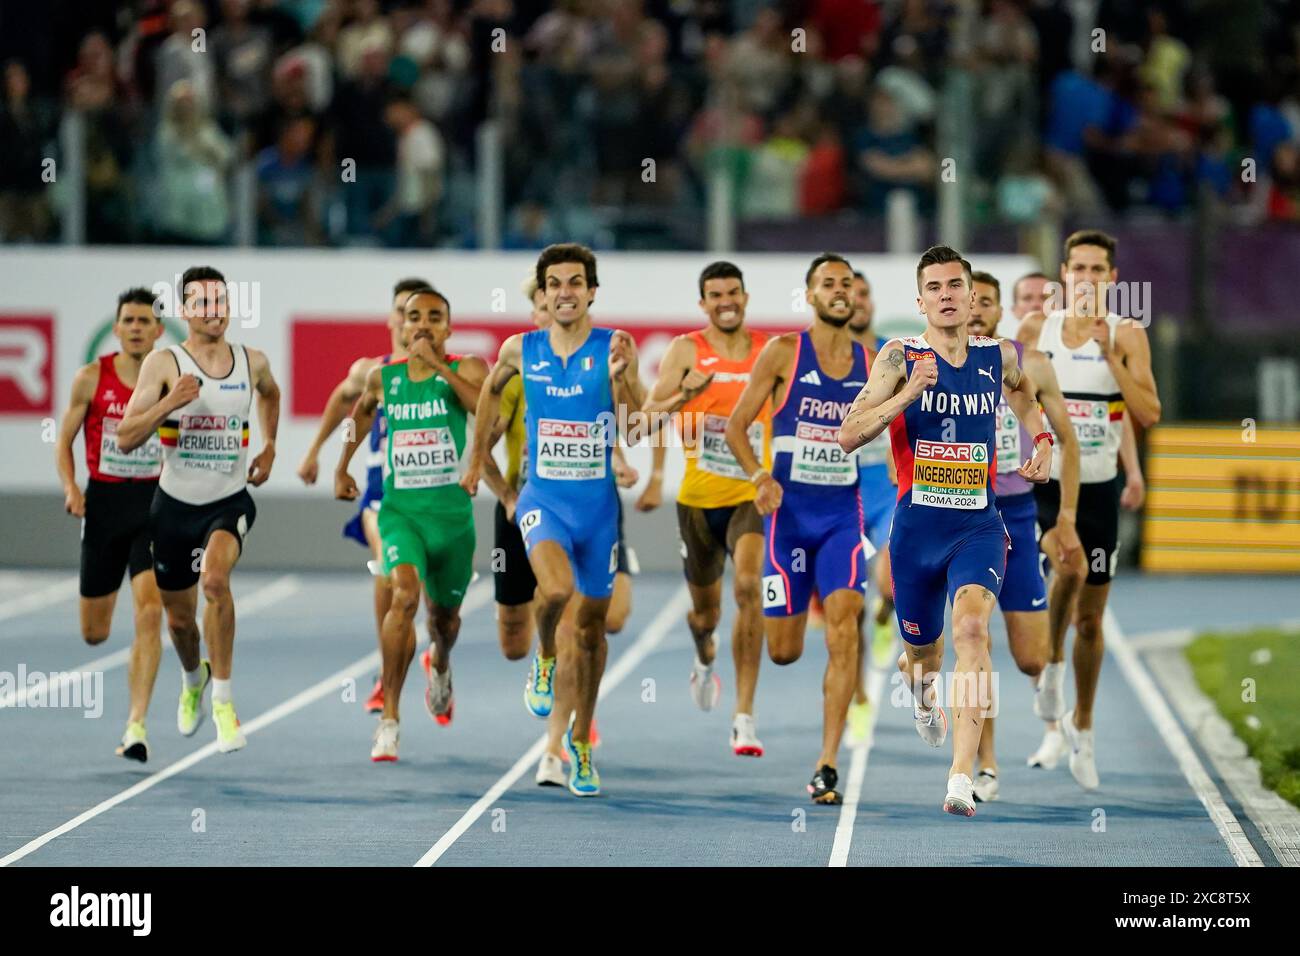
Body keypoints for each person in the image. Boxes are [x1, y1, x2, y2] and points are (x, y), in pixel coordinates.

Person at [838, 245, 1053, 816]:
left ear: (972, 295)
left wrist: (1044, 441)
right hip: (915, 532)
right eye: (934, 288)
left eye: (955, 285)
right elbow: (848, 433)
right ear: (920, 300)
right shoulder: (897, 356)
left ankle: (963, 773)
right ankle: (922, 696)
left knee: (974, 632)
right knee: (922, 658)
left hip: (977, 527)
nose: (947, 296)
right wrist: (909, 393)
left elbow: (1024, 394)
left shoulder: (998, 354)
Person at [464, 243, 645, 797]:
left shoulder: (614, 345)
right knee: (556, 589)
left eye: (575, 282)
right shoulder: (521, 349)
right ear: (542, 294)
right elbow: (489, 399)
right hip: (543, 498)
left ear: (592, 291)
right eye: (554, 284)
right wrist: (476, 458)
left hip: (598, 509)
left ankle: (581, 746)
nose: (564, 292)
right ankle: (544, 658)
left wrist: (625, 382)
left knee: (592, 631)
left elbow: (635, 427)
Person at [1016, 230, 1161, 789]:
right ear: (1064, 274)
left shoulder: (1128, 334)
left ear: (1112, 279)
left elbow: (1148, 411)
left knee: (1091, 619)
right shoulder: (1036, 330)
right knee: (1068, 565)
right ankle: (1050, 667)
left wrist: (1108, 357)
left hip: (1099, 486)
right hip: (1045, 486)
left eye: (1098, 270)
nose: (1087, 278)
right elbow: (1013, 403)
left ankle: (1085, 725)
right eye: (1078, 268)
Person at [725, 253, 870, 804]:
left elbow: (902, 418)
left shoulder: (872, 361)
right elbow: (737, 427)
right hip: (788, 521)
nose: (838, 291)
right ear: (810, 296)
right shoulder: (784, 353)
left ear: (855, 298)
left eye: (846, 284)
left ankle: (827, 762)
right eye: (827, 283)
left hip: (840, 518)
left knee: (843, 626)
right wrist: (760, 475)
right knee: (783, 650)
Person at [117, 266, 280, 754]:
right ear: (186, 311)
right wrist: (169, 403)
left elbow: (271, 394)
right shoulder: (165, 364)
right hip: (173, 508)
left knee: (215, 582)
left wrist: (269, 446)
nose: (215, 311)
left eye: (221, 301)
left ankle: (226, 706)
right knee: (181, 623)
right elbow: (126, 438)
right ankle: (194, 679)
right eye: (203, 304)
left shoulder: (252, 361)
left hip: (228, 501)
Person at [335, 287, 487, 761]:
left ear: (448, 328)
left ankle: (439, 662)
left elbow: (486, 409)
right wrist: (342, 464)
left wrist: (439, 366)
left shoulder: (467, 369)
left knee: (444, 621)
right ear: (401, 326)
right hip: (401, 513)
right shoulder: (384, 378)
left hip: (453, 521)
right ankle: (390, 719)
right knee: (402, 594)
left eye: (434, 318)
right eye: (413, 317)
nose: (421, 324)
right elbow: (359, 413)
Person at [641, 260, 769, 756]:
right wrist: (683, 395)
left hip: (751, 494)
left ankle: (744, 716)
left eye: (733, 292)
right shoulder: (685, 351)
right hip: (697, 502)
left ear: (745, 295)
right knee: (704, 614)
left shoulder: (768, 351)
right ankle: (703, 653)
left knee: (748, 587)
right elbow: (643, 422)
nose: (725, 301)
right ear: (703, 304)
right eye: (715, 295)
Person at [965, 270, 1081, 802]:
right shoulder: (935, 366)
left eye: (986, 303)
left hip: (1016, 509)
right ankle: (984, 764)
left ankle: (1055, 696)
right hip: (966, 515)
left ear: (999, 312)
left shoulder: (1026, 364)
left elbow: (1064, 437)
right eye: (970, 301)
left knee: (1032, 658)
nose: (976, 310)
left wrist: (1065, 517)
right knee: (974, 639)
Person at [298, 277, 427, 714]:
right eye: (403, 310)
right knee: (387, 574)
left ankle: (428, 657)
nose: (410, 320)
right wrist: (319, 453)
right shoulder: (371, 371)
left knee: (413, 595)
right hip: (381, 488)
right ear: (393, 317)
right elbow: (342, 403)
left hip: (427, 491)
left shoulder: (443, 371)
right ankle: (387, 674)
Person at [55, 288, 166, 761]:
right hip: (103, 504)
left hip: (155, 504)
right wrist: (71, 488)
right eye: (129, 320)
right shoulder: (90, 378)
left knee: (150, 610)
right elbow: (63, 442)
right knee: (94, 633)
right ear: (117, 328)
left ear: (159, 331)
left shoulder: (171, 377)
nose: (137, 327)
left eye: (145, 320)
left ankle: (136, 724)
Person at [844, 269, 897, 745]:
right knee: (846, 606)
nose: (857, 301)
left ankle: (888, 615)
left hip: (889, 485)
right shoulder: (823, 356)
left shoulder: (891, 354)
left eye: (864, 293)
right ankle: (858, 697)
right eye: (849, 294)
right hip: (842, 490)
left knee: (892, 581)